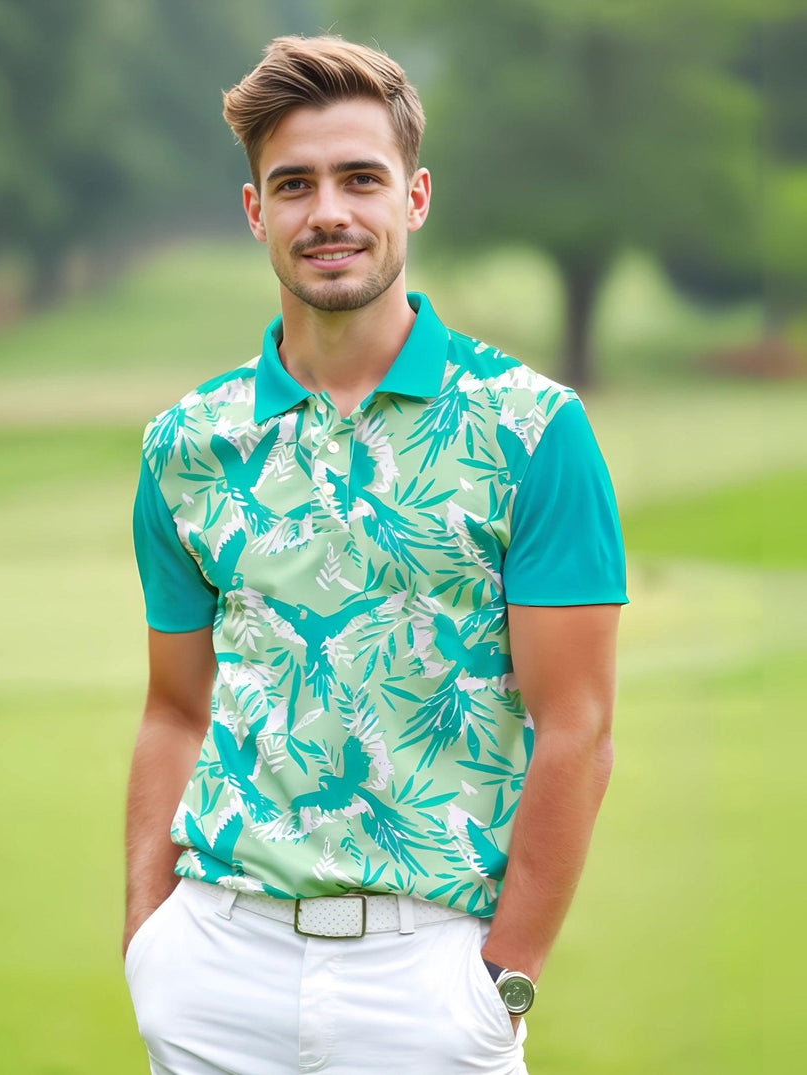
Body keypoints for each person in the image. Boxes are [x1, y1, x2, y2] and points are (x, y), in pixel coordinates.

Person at [124, 34, 627, 1075]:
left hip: (429, 982)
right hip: (214, 968)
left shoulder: (530, 429)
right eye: (294, 184)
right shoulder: (188, 445)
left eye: (361, 178)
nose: (330, 213)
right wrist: (147, 942)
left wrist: (504, 981)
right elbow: (175, 707)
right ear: (256, 210)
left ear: (416, 196)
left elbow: (573, 725)